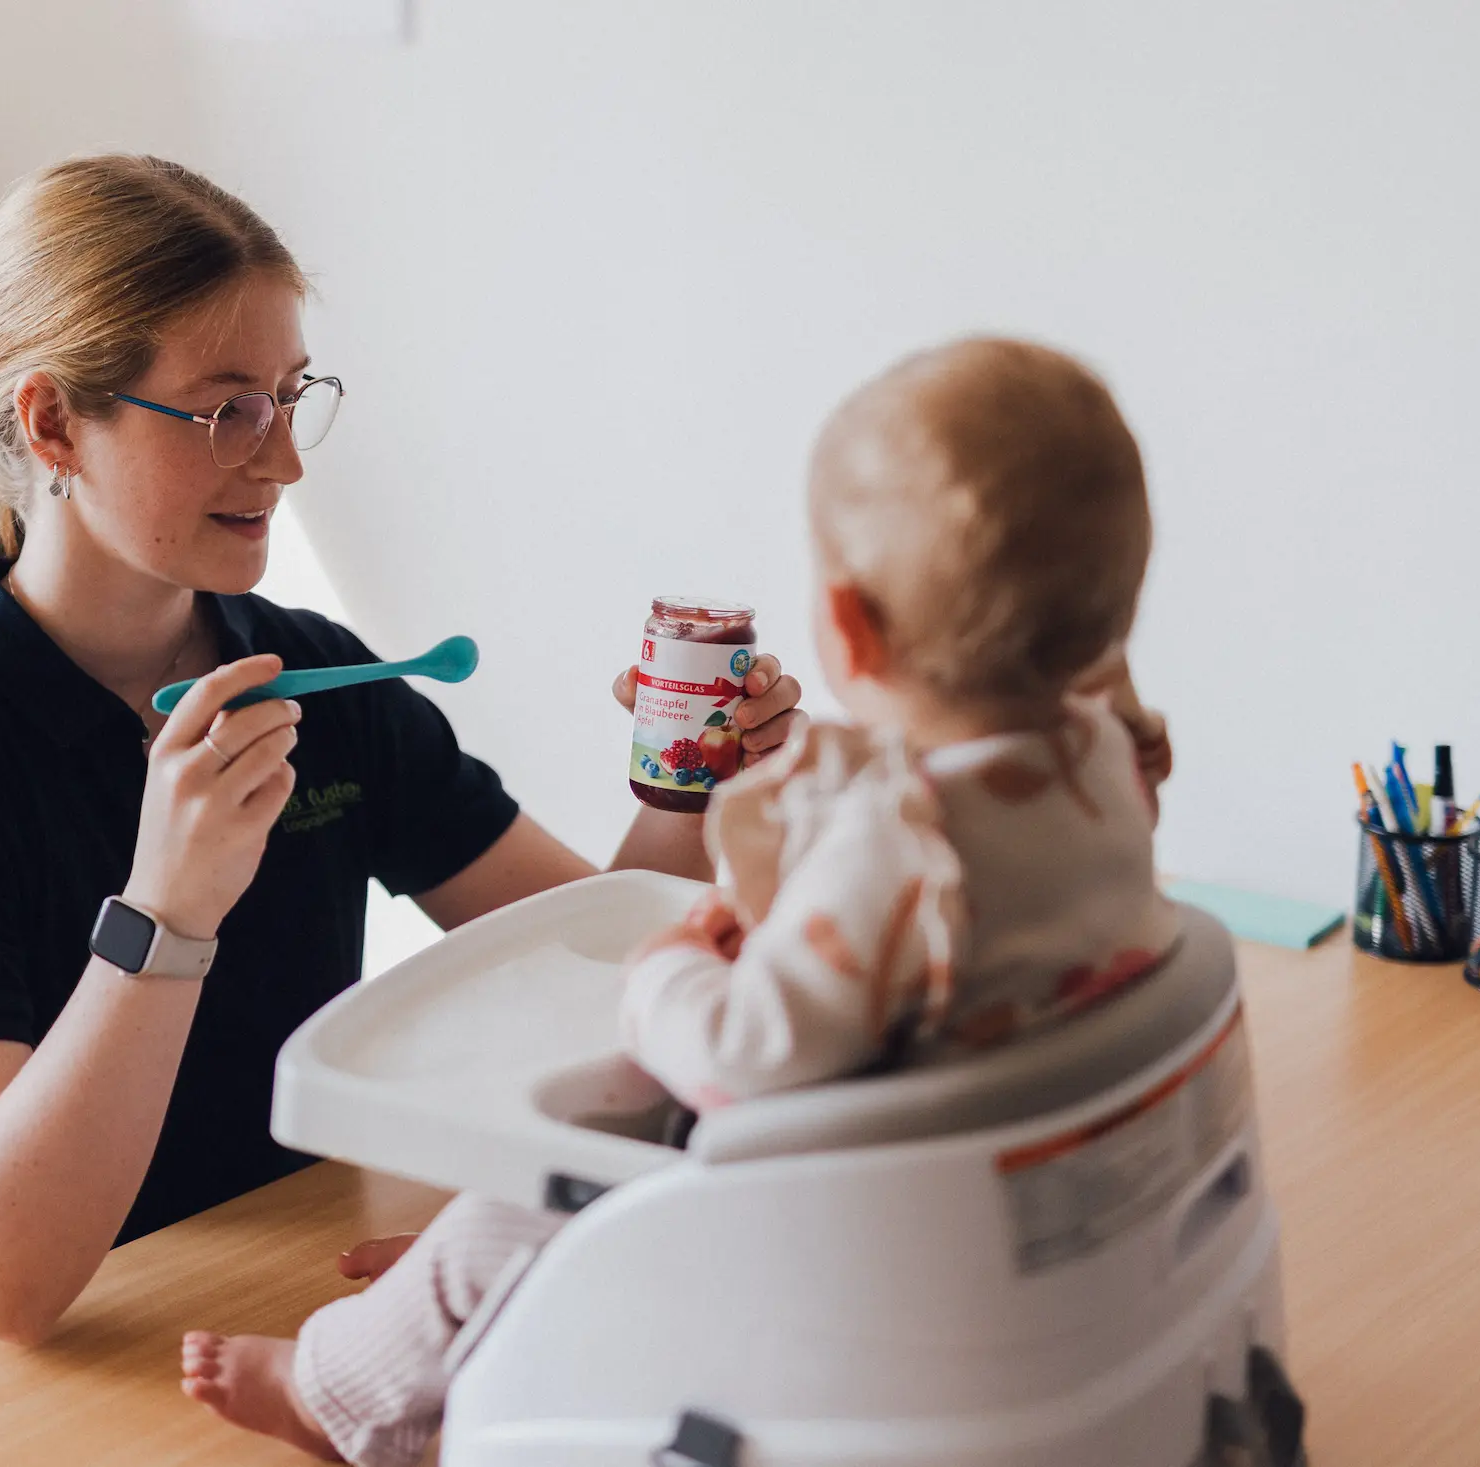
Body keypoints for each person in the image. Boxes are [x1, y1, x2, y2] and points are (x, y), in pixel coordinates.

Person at [0, 153, 806, 1369]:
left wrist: (691, 790)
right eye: (228, 410)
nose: (283, 463)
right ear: (55, 422)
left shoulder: (313, 678)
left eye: (290, 398)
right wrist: (167, 915)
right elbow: (0, 1284)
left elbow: (602, 979)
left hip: (257, 1281)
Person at [180, 336, 1179, 1466]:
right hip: (995, 1185)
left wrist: (673, 969)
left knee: (541, 1186)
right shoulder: (1105, 767)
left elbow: (742, 1051)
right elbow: (936, 867)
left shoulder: (892, 847)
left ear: (848, 630)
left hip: (842, 1227)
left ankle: (337, 1390)